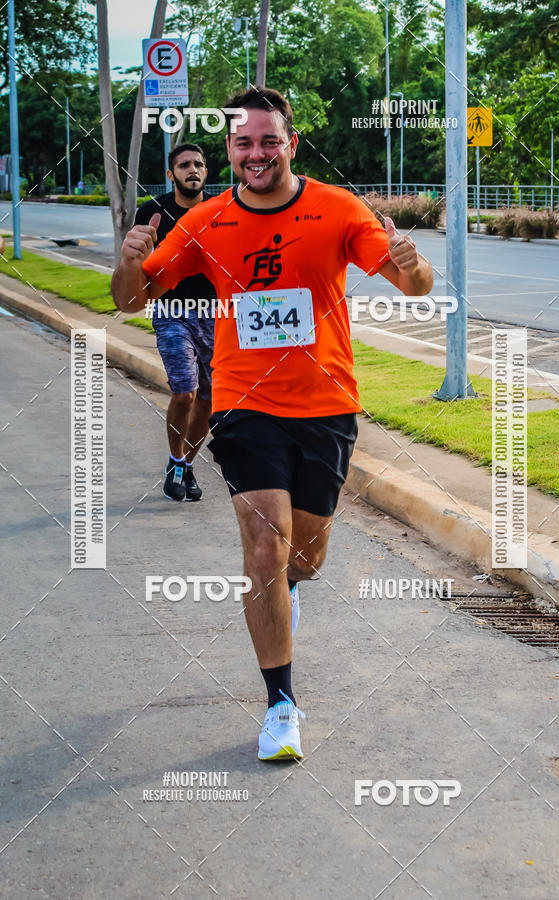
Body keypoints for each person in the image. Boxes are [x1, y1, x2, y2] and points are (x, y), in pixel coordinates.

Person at [111, 88, 433, 761]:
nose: (255, 152)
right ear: (229, 149)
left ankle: (287, 588)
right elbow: (131, 299)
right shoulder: (205, 219)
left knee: (303, 557)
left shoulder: (337, 208)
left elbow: (414, 285)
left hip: (326, 404)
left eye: (267, 140)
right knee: (264, 545)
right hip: (242, 403)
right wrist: (129, 258)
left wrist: (415, 264)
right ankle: (281, 705)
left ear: (289, 143)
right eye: (242, 142)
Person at [134, 143, 217, 501]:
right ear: (171, 175)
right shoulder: (152, 211)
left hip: (217, 314)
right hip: (171, 312)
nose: (192, 169)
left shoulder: (222, 210)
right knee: (185, 391)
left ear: (206, 172)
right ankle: (175, 458)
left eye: (198, 164)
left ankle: (184, 465)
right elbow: (139, 265)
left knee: (209, 401)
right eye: (184, 165)